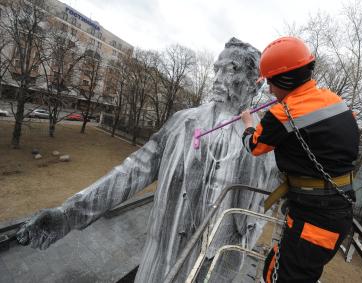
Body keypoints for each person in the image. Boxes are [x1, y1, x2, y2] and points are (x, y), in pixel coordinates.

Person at [17, 38, 281, 282]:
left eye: (231, 69)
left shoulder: (269, 143)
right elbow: (131, 171)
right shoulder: (182, 123)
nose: (218, 79)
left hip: (217, 270)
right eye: (217, 70)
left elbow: (279, 203)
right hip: (161, 265)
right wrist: (67, 215)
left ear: (255, 82)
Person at [240, 36, 359, 282]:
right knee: (279, 264)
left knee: (286, 275)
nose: (270, 90)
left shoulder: (281, 113)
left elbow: (254, 146)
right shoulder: (335, 101)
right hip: (337, 212)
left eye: (271, 82)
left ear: (285, 79)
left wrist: (248, 124)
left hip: (314, 222)